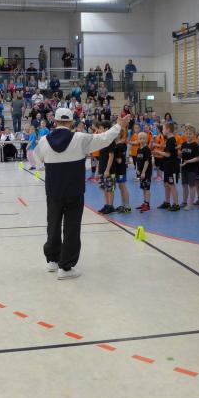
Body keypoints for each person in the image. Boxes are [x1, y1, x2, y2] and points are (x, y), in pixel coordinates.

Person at [33, 108, 129, 280]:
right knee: (71, 227)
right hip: (74, 191)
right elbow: (104, 139)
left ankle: (53, 260)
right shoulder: (80, 138)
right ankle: (66, 267)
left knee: (53, 224)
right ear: (71, 122)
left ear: (55, 122)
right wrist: (118, 126)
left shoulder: (44, 141)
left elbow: (37, 161)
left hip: (53, 191)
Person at [155, 123, 180, 211]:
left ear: (168, 129)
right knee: (166, 184)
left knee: (171, 184)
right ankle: (167, 202)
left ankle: (176, 204)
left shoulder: (171, 140)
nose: (162, 130)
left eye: (163, 129)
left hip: (171, 166)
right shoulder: (169, 140)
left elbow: (168, 154)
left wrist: (158, 152)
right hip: (167, 165)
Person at [96, 122, 117, 214]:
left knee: (110, 188)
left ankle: (111, 206)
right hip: (102, 168)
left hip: (109, 170)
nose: (99, 130)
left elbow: (111, 156)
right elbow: (101, 157)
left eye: (100, 128)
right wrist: (99, 169)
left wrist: (107, 170)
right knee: (104, 188)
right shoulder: (102, 141)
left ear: (106, 129)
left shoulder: (110, 141)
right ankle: (107, 205)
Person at [180, 126, 199, 210]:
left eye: (190, 134)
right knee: (184, 185)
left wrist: (188, 161)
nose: (188, 135)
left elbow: (197, 158)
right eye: (187, 133)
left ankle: (191, 204)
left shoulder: (195, 145)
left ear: (194, 135)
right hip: (184, 168)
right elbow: (182, 156)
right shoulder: (183, 144)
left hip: (192, 169)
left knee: (191, 186)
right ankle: (184, 202)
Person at [113, 128, 130, 213]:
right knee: (121, 187)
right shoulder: (121, 144)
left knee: (123, 187)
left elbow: (119, 160)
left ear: (119, 134)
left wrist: (112, 158)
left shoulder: (119, 146)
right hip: (120, 169)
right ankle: (123, 205)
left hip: (120, 169)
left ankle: (127, 206)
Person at [135, 132, 152, 213]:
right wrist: (138, 169)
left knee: (147, 188)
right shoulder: (139, 149)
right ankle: (144, 202)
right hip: (140, 172)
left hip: (146, 172)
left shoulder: (147, 149)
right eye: (140, 138)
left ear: (146, 139)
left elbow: (147, 161)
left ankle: (147, 204)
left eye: (143, 138)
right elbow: (138, 161)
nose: (142, 140)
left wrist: (143, 172)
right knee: (143, 188)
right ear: (138, 139)